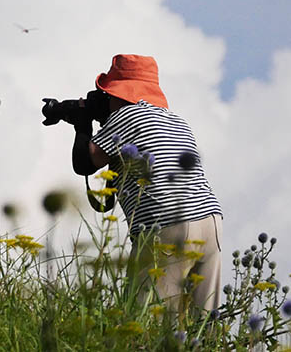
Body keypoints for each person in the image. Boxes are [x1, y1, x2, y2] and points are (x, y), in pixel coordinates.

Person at [71, 54, 224, 311]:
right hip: (210, 222)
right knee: (204, 321)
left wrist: (82, 123)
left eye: (108, 94)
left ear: (120, 94)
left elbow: (85, 163)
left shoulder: (127, 115)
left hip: (167, 225)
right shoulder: (175, 120)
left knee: (146, 319)